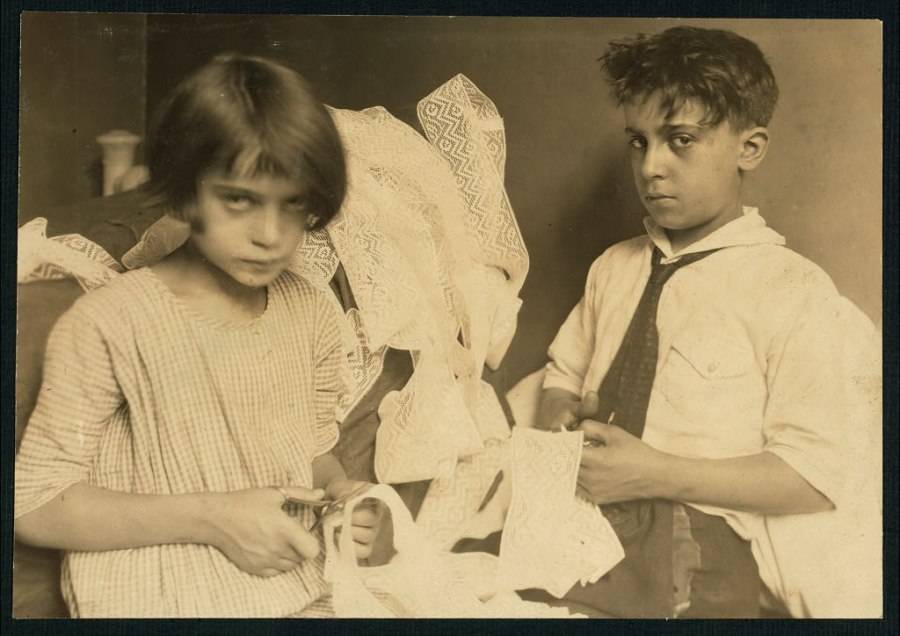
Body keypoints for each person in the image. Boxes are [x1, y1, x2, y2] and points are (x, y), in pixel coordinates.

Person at [14, 54, 381, 618]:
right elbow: (32, 505)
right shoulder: (111, 320)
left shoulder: (310, 310)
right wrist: (217, 518)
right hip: (158, 599)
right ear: (186, 193)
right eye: (240, 200)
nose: (270, 235)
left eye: (294, 205)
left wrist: (342, 499)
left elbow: (312, 454)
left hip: (294, 591)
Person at [535, 26, 879, 617]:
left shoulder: (793, 291)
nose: (652, 168)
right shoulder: (614, 269)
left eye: (681, 140)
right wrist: (561, 416)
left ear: (750, 148)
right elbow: (561, 373)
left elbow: (815, 476)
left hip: (705, 539)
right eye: (639, 143)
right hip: (591, 517)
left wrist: (654, 473)